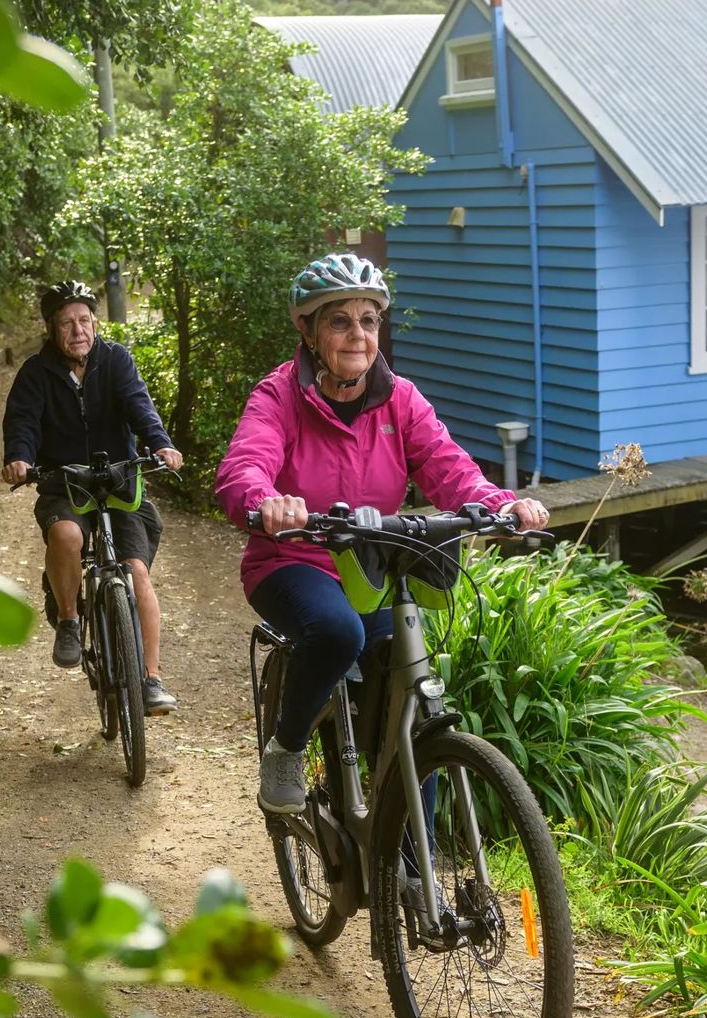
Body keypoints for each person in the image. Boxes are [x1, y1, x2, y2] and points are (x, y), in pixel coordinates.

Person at [215, 252, 549, 812]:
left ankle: (412, 871)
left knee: (410, 694)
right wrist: (264, 500)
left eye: (368, 321)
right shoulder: (279, 398)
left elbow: (449, 467)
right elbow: (246, 462)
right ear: (310, 330)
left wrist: (499, 503)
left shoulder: (401, 399)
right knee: (337, 632)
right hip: (293, 560)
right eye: (339, 320)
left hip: (373, 568)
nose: (357, 335)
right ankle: (288, 745)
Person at [2, 280, 183, 715]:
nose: (77, 330)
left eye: (84, 320)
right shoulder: (35, 373)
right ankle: (69, 619)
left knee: (137, 573)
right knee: (65, 536)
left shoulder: (115, 359)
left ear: (95, 323)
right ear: (51, 329)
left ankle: (150, 679)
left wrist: (160, 443)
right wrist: (19, 458)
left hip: (119, 483)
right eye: (67, 323)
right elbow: (22, 423)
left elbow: (140, 406)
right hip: (64, 483)